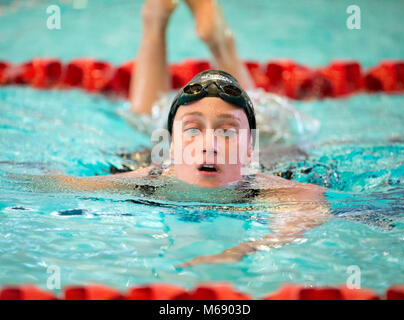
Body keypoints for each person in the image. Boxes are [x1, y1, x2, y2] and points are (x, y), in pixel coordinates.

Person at [54, 0, 329, 266]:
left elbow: (310, 201)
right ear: (171, 147)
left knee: (142, 117)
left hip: (265, 155)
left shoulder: (261, 186)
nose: (209, 145)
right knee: (147, 120)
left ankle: (162, 21)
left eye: (226, 133)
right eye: (194, 130)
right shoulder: (150, 178)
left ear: (249, 150)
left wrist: (247, 248)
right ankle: (190, 31)